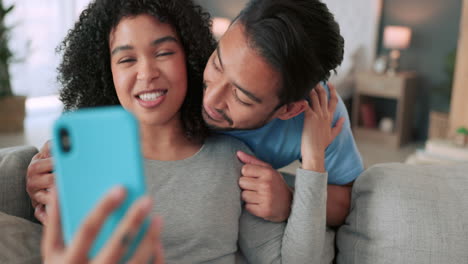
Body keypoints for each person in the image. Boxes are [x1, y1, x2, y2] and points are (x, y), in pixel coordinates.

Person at [38, 0, 339, 262]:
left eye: (164, 52)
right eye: (127, 59)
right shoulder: (78, 161)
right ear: (107, 72)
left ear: (190, 56)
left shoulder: (234, 161)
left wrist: (313, 161)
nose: (147, 73)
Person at [201, 0, 364, 226]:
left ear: (289, 110)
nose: (210, 98)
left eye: (241, 96)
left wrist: (290, 198)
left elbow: (347, 201)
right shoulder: (182, 67)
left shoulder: (320, 114)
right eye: (217, 65)